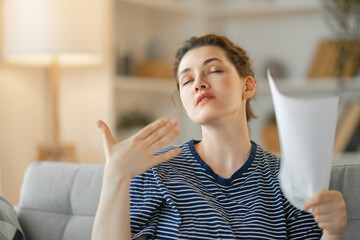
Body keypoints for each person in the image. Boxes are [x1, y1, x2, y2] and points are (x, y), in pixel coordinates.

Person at [92, 34, 347, 240]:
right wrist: (115, 175)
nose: (198, 83)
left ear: (247, 86)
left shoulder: (286, 177)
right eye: (187, 80)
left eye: (213, 70)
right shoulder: (154, 170)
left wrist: (333, 232)